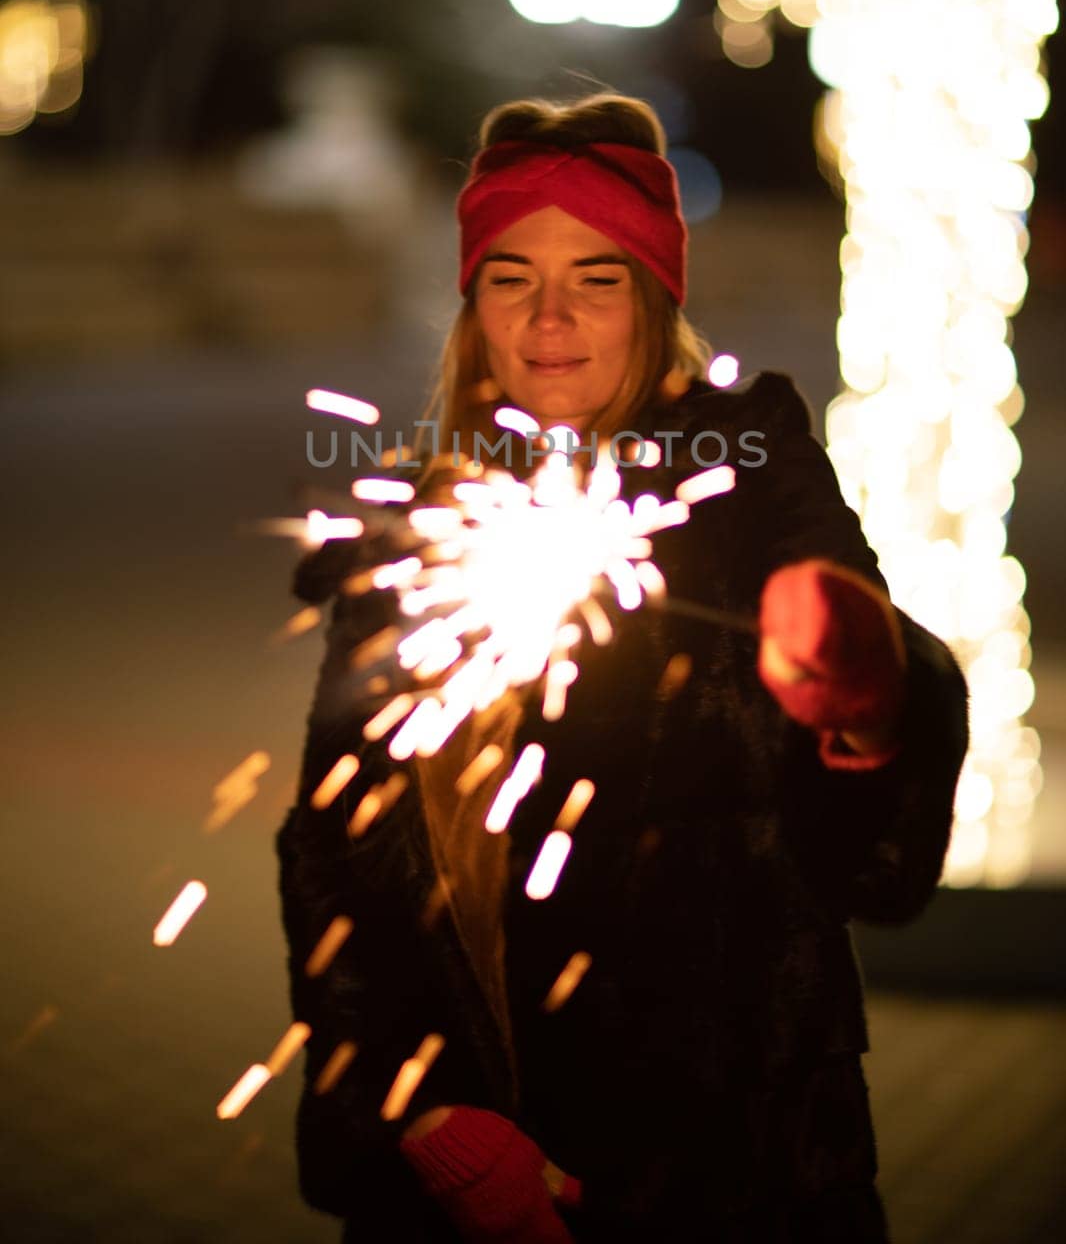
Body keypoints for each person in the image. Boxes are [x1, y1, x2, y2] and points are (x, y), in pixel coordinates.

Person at [276, 93, 969, 1242]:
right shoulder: (414, 527)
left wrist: (873, 701)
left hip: (732, 1174)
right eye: (510, 276)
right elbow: (333, 858)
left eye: (596, 276)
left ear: (653, 296)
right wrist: (420, 1115)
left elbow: (869, 849)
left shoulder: (752, 481)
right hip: (462, 1174)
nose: (551, 316)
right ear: (472, 304)